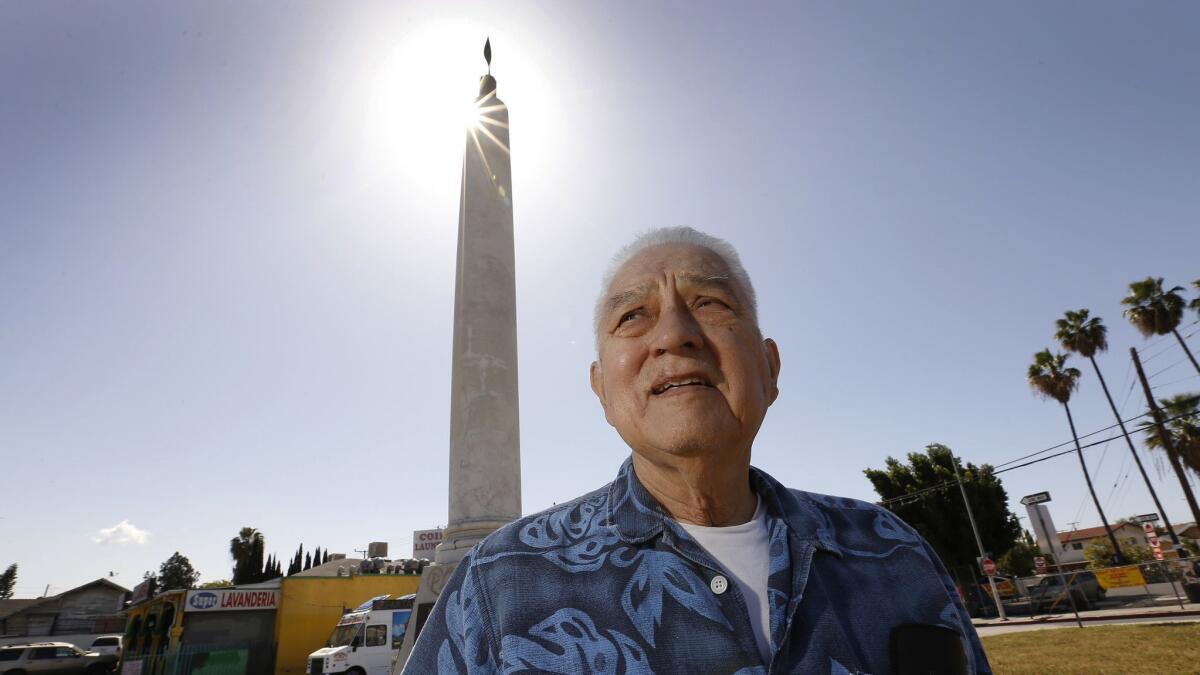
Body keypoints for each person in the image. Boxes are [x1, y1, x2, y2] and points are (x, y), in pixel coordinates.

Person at [405, 227, 990, 674]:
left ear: (769, 367)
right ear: (601, 391)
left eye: (711, 303)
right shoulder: (498, 586)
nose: (673, 335)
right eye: (634, 315)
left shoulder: (892, 553)